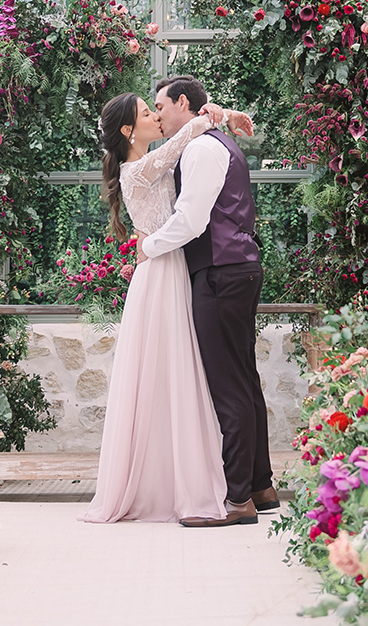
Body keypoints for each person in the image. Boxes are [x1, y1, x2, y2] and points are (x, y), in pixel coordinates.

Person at [80, 91, 252, 523]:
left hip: (169, 266)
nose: (156, 117)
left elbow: (189, 137)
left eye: (156, 109)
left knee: (178, 373)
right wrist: (219, 113)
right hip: (161, 272)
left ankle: (181, 478)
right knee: (168, 372)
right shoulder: (138, 167)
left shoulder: (151, 161)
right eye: (145, 114)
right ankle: (174, 485)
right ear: (128, 131)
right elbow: (187, 133)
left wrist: (218, 113)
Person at [136, 75, 275, 528]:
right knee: (244, 378)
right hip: (235, 269)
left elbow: (191, 219)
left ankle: (237, 501)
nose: (157, 114)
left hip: (220, 272)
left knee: (227, 385)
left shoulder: (200, 149)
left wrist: (148, 247)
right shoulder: (211, 140)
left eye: (160, 105)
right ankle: (259, 484)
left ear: (182, 103)